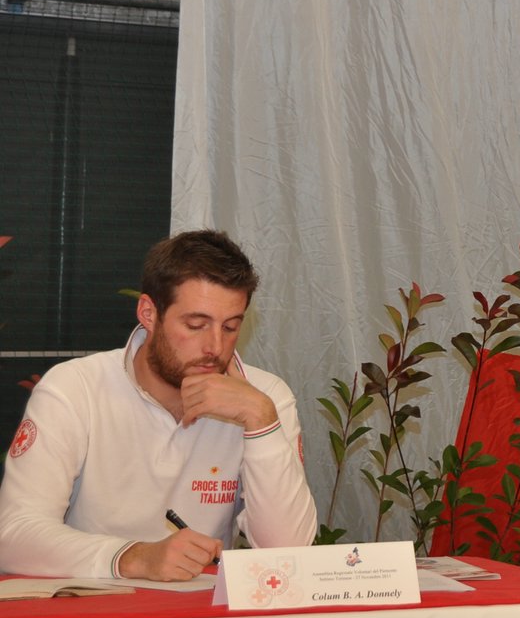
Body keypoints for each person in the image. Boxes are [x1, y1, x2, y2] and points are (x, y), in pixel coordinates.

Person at [0, 230, 317, 580]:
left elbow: (290, 557)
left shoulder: (264, 396)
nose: (215, 346)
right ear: (149, 313)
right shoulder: (75, 389)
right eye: (196, 325)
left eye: (230, 327)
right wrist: (135, 558)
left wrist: (261, 421)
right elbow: (13, 535)